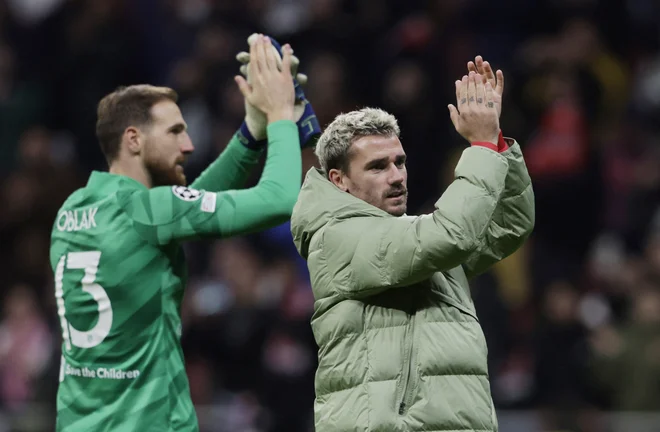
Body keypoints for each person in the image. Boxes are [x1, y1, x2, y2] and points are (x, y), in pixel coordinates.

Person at [50, 35, 306, 432]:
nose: (188, 145)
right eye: (174, 131)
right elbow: (280, 199)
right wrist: (280, 118)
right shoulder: (149, 211)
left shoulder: (74, 210)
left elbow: (187, 206)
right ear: (133, 139)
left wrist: (249, 135)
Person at [290, 57, 535, 431]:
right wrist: (481, 146)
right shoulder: (335, 238)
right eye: (377, 167)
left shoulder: (415, 235)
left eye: (399, 162)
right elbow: (450, 235)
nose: (396, 177)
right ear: (339, 180)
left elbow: (510, 225)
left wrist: (497, 144)